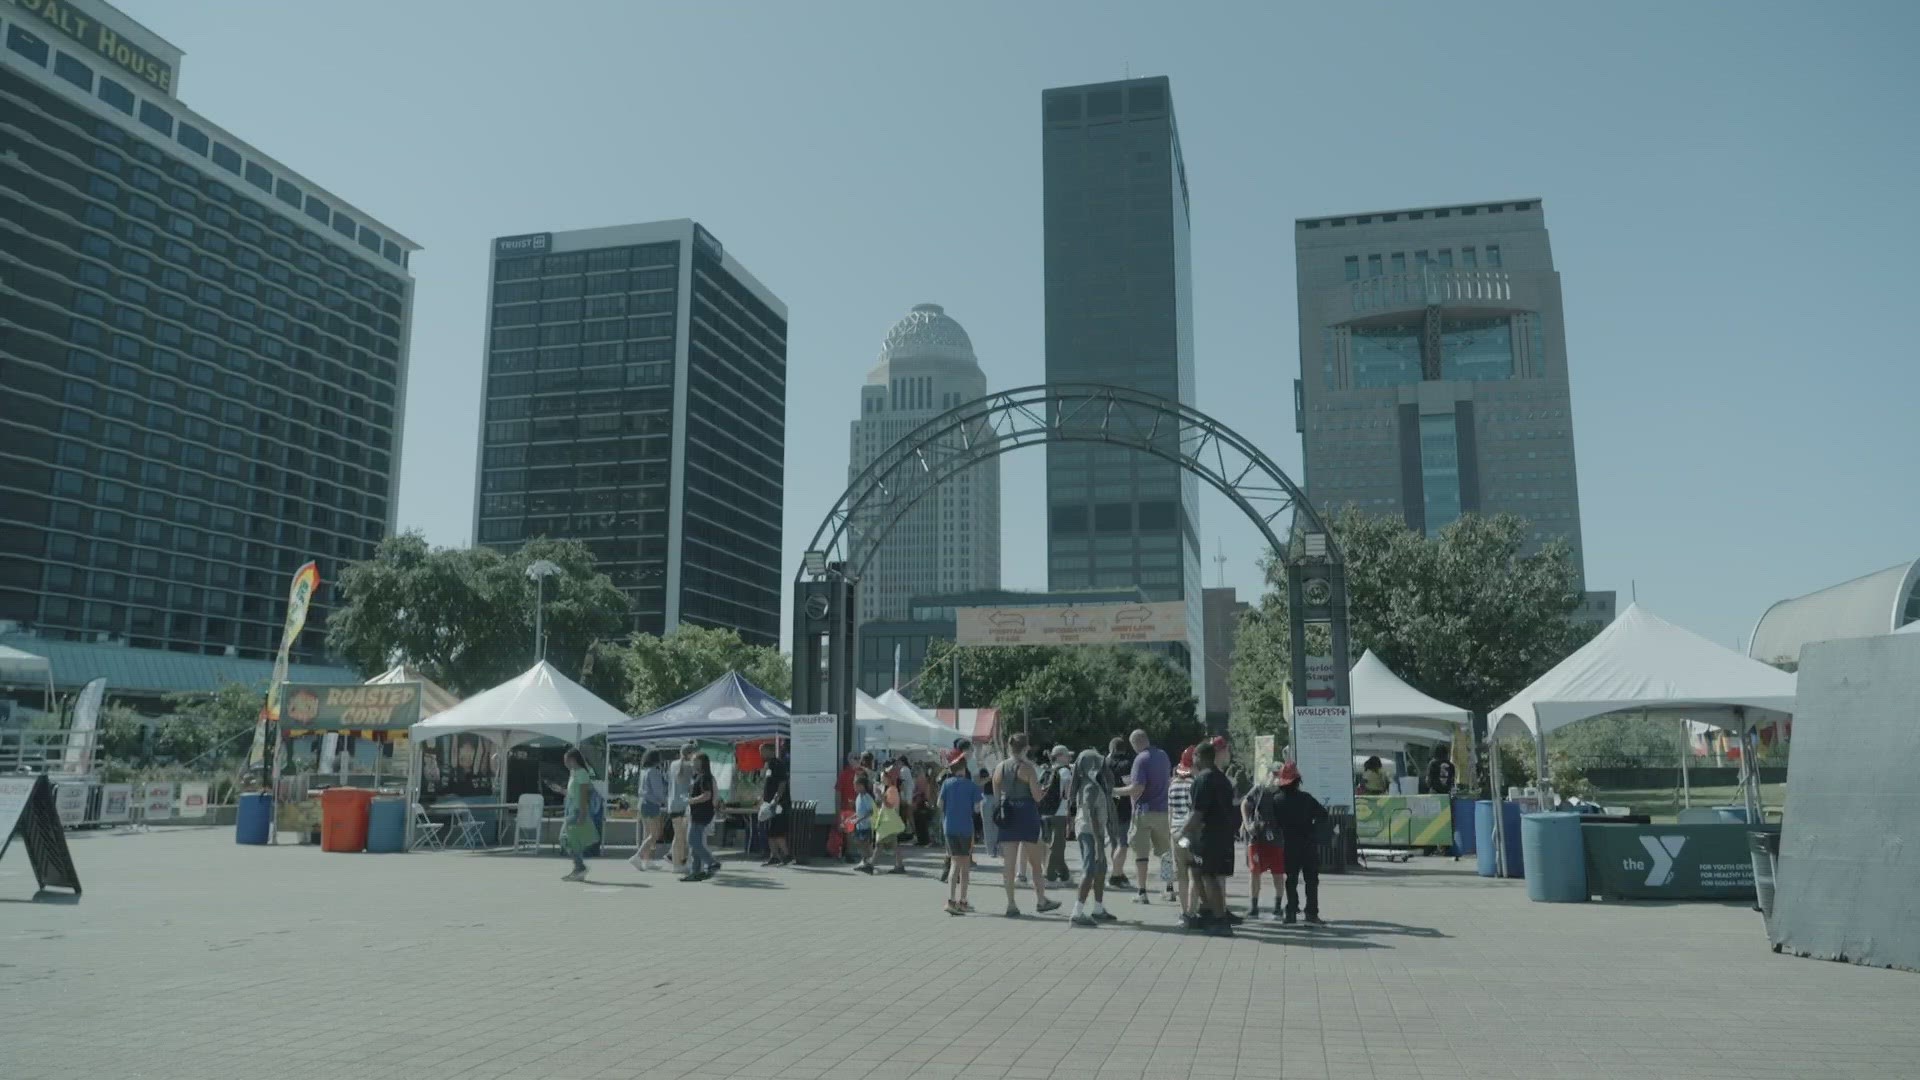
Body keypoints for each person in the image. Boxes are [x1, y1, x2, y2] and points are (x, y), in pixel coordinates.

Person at [992, 734, 1060, 917]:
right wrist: (1045, 790)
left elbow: (997, 796)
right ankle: (1041, 900)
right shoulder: (1028, 769)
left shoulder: (999, 768)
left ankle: (1011, 904)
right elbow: (1037, 796)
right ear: (1026, 748)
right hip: (1027, 814)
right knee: (1035, 862)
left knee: (1009, 864)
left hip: (1008, 816)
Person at [1183, 738, 1236, 934]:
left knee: (1209, 876)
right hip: (1222, 835)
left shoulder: (1202, 780)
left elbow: (1197, 813)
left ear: (1199, 756)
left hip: (1207, 836)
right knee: (1197, 872)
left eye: (1194, 755)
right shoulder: (1223, 779)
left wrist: (1183, 832)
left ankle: (1220, 920)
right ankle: (1206, 911)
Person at [1113, 728, 1172, 905]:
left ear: (1134, 744)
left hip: (1144, 812)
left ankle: (1142, 891)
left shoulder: (1141, 759)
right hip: (1163, 810)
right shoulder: (1163, 756)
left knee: (1141, 854)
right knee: (1166, 853)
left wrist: (1114, 791)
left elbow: (1137, 788)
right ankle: (1169, 889)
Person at [1068, 749, 1121, 927]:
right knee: (1090, 869)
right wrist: (1100, 845)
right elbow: (1091, 816)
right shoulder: (1090, 786)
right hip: (1088, 832)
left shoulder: (1096, 784)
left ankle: (1098, 908)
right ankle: (1077, 913)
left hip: (1092, 832)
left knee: (1101, 869)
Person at [1273, 762, 1328, 923]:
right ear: (1297, 781)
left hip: (1288, 845)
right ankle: (1311, 913)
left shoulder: (1277, 800)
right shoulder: (1306, 798)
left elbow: (1273, 822)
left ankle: (1291, 911)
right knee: (1311, 879)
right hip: (1308, 844)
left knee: (1291, 879)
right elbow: (1323, 815)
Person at [937, 749, 982, 914]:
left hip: (949, 827)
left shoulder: (946, 784)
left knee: (954, 863)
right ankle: (960, 900)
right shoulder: (972, 786)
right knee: (964, 865)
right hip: (966, 828)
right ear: (964, 770)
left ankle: (952, 899)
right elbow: (977, 809)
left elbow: (939, 805)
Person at [1241, 764, 1288, 920]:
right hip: (1257, 836)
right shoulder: (1260, 788)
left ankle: (1277, 908)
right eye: (1274, 774)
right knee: (1254, 872)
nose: (1276, 777)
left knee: (1278, 873)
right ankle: (1254, 908)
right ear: (1268, 774)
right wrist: (1247, 824)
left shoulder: (1285, 791)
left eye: (1278, 774)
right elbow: (1245, 803)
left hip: (1277, 838)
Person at [559, 748, 598, 882]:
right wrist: (561, 791)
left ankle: (579, 867)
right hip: (572, 810)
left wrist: (582, 813)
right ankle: (578, 867)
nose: (565, 763)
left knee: (566, 838)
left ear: (573, 759)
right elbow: (573, 793)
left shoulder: (581, 773)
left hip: (577, 811)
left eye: (567, 760)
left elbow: (583, 794)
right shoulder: (573, 773)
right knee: (571, 840)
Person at [682, 751, 721, 882]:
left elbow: (707, 795)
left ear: (701, 762)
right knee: (695, 844)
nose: (692, 763)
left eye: (694, 760)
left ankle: (711, 862)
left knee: (692, 841)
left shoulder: (704, 777)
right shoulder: (700, 776)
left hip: (701, 813)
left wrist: (690, 800)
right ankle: (695, 872)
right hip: (700, 813)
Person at [1165, 746, 1195, 910]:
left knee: (1182, 874)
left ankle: (1184, 910)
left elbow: (1170, 813)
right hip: (1190, 832)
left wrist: (1171, 832)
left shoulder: (1173, 785)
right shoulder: (1194, 784)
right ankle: (1193, 909)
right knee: (1194, 874)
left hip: (1176, 833)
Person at [630, 749, 670, 871]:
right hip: (652, 804)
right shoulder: (654, 772)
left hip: (643, 803)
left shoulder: (644, 771)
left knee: (647, 834)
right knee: (655, 834)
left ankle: (647, 861)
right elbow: (658, 791)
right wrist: (665, 800)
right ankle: (637, 857)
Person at [1104, 736, 1136, 888]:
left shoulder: (1105, 763)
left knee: (1114, 843)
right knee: (1122, 844)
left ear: (1111, 749)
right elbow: (1130, 786)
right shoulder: (1128, 765)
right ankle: (1115, 876)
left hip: (1107, 809)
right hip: (1123, 808)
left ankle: (1119, 872)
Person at [1040, 745, 1074, 884]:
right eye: (1067, 755)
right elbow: (1067, 794)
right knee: (1057, 846)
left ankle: (1064, 875)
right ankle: (1049, 876)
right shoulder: (1065, 772)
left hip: (1046, 812)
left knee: (1055, 845)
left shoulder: (1048, 770)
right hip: (1059, 812)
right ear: (1060, 756)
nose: (1069, 758)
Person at [666, 741, 697, 873]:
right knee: (681, 837)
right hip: (684, 804)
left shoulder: (673, 765)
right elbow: (693, 785)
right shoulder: (690, 767)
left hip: (672, 803)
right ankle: (678, 864)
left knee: (678, 836)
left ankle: (676, 863)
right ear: (691, 754)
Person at [761, 738, 792, 866]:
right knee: (770, 831)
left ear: (770, 751)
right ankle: (774, 856)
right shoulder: (768, 765)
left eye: (762, 751)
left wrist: (776, 798)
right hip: (768, 804)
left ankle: (787, 856)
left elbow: (782, 783)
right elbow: (768, 783)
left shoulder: (778, 764)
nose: (761, 754)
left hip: (778, 804)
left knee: (778, 831)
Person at [852, 774, 877, 873]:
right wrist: (853, 818)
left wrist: (861, 819)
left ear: (862, 786)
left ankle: (866, 861)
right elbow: (859, 811)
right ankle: (865, 860)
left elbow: (871, 811)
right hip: (859, 825)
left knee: (864, 844)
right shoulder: (858, 797)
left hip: (866, 825)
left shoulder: (867, 797)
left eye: (856, 786)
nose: (855, 788)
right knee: (860, 843)